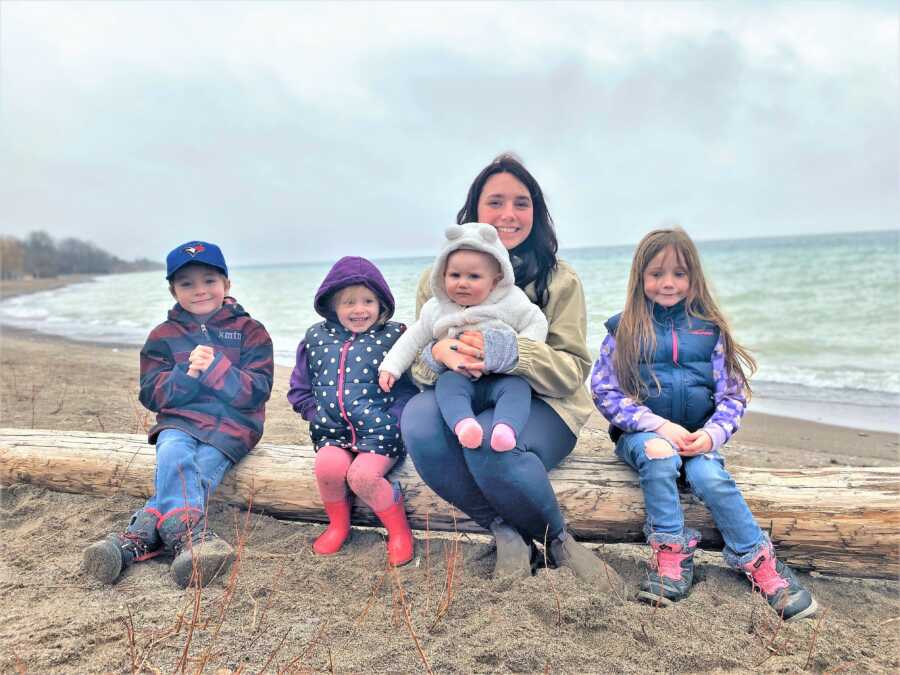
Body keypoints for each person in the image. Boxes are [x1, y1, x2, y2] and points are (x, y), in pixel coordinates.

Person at [401, 153, 621, 588]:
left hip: (545, 407)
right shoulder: (439, 277)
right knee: (418, 421)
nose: (508, 214)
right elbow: (418, 361)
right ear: (474, 213)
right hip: (462, 394)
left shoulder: (560, 280)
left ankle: (558, 540)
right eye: (495, 202)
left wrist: (509, 352)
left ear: (536, 213)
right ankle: (504, 531)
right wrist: (437, 355)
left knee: (490, 442)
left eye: (521, 203)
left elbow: (572, 370)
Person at [590, 227, 818, 621]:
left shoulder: (709, 329)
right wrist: (655, 425)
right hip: (643, 437)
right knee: (660, 455)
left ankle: (761, 564)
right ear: (639, 277)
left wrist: (711, 435)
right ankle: (671, 558)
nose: (668, 283)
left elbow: (732, 397)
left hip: (698, 440)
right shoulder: (623, 328)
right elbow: (603, 389)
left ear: (694, 278)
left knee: (711, 479)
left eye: (679, 274)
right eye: (657, 273)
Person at [83, 240, 274, 588]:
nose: (200, 290)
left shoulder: (251, 331)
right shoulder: (163, 336)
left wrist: (217, 368)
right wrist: (187, 374)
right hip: (179, 422)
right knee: (173, 452)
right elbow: (151, 393)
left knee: (197, 470)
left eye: (209, 281)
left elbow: (258, 391)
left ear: (226, 285)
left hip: (233, 427)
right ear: (173, 290)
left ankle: (133, 541)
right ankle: (192, 540)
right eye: (187, 284)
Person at [287, 256, 419, 566]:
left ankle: (399, 532)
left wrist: (395, 419)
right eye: (349, 302)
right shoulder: (315, 339)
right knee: (327, 468)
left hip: (381, 433)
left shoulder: (396, 337)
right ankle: (338, 525)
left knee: (362, 477)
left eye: (368, 301)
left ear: (382, 302)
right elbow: (299, 387)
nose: (359, 309)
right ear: (332, 305)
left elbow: (410, 388)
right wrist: (314, 413)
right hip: (332, 433)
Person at [379, 222, 547, 453]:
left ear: (496, 280)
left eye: (474, 276)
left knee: (518, 389)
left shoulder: (510, 301)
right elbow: (414, 337)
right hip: (460, 377)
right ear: (442, 274)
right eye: (454, 275)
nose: (462, 283)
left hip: (502, 375)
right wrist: (391, 367)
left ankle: (505, 429)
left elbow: (536, 322)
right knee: (447, 385)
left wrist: (516, 350)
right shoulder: (436, 308)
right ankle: (464, 425)